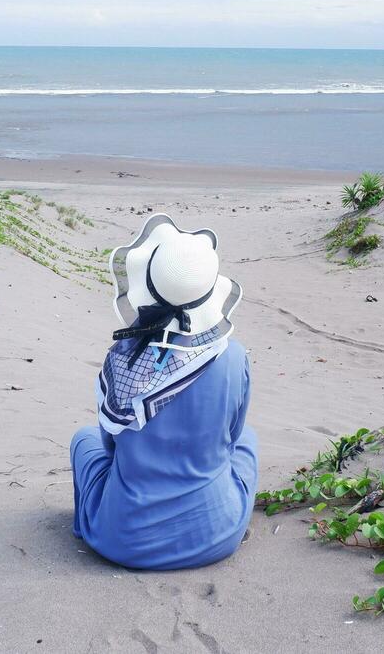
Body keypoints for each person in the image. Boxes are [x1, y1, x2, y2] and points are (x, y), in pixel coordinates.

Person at [69, 213, 258, 570]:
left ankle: (88, 525)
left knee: (84, 440)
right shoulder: (233, 357)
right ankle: (209, 507)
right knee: (247, 441)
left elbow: (110, 445)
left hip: (123, 542)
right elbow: (231, 439)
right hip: (218, 536)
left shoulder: (124, 359)